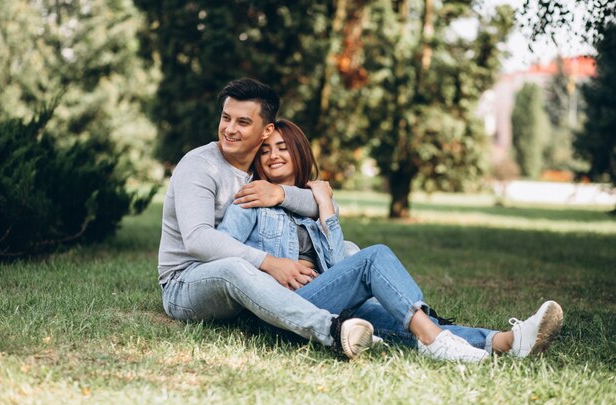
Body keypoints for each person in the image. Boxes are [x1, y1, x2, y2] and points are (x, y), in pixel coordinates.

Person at [218, 119, 564, 362]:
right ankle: (436, 341)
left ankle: (506, 342)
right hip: (286, 309)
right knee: (374, 257)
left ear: (299, 152)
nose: (273, 155)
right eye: (265, 151)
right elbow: (226, 256)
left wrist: (324, 206)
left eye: (282, 147)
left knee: (404, 320)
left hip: (332, 302)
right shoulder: (252, 197)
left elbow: (339, 265)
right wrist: (269, 267)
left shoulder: (315, 203)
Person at [158, 78, 375, 359]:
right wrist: (272, 264)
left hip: (243, 278)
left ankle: (389, 323)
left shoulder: (262, 171)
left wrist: (281, 194)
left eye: (243, 122)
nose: (230, 130)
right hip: (186, 283)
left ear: (266, 130)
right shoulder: (200, 166)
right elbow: (198, 241)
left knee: (349, 249)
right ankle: (332, 330)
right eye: (226, 118)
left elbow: (323, 205)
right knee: (235, 268)